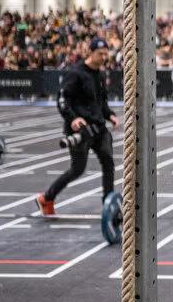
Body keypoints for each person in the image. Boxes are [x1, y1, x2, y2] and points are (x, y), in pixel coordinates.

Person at [36, 37, 118, 215]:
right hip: (80, 130)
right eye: (100, 54)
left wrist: (110, 115)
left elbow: (101, 103)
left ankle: (109, 205)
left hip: (99, 128)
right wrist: (72, 119)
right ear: (90, 52)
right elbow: (62, 99)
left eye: (106, 54)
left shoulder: (100, 75)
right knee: (77, 169)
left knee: (108, 162)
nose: (104, 58)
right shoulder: (75, 73)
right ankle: (47, 198)